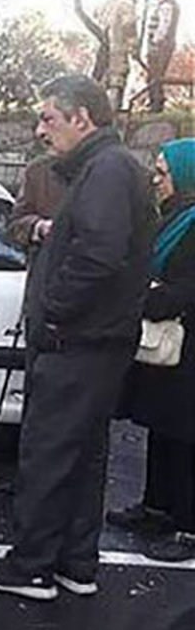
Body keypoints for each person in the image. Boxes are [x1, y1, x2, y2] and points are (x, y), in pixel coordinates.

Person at [0, 75, 153, 600]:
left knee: (48, 452)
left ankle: (31, 567)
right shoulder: (110, 168)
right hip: (97, 342)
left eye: (49, 117)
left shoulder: (107, 171)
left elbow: (97, 255)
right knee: (82, 455)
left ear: (82, 118)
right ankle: (76, 563)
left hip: (78, 342)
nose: (39, 129)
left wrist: (54, 314)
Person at [108, 139, 195, 563]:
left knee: (187, 437)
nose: (155, 180)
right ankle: (156, 507)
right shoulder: (176, 217)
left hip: (188, 344)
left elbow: (187, 287)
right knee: (163, 428)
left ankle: (188, 527)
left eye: (163, 172)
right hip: (172, 345)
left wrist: (149, 297)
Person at [5, 149, 67, 252]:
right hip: (50, 260)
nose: (41, 133)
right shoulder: (38, 170)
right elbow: (16, 225)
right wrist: (40, 227)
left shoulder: (100, 167)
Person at [94, 0, 138, 112]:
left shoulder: (105, 3)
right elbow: (129, 26)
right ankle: (112, 111)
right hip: (118, 46)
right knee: (117, 78)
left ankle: (97, 110)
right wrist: (134, 47)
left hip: (101, 46)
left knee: (101, 77)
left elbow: (95, 14)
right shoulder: (127, 5)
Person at [147, 0, 180, 112]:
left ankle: (156, 104)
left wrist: (156, 41)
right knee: (155, 74)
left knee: (155, 74)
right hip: (164, 44)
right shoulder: (169, 4)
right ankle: (155, 102)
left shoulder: (167, 4)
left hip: (162, 45)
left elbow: (164, 25)